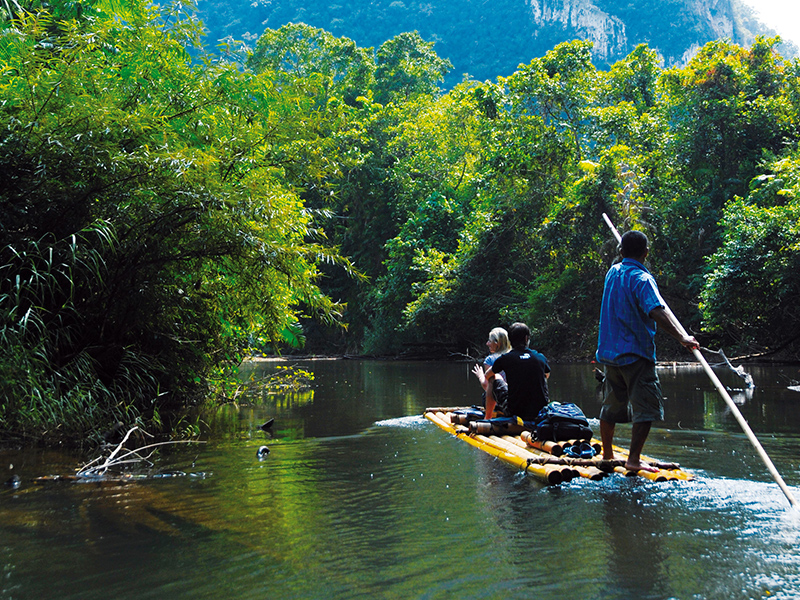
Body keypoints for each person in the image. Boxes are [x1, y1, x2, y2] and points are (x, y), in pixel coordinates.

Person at [596, 230, 699, 472]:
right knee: (646, 408)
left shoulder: (612, 274)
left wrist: (626, 254)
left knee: (611, 406)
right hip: (635, 355)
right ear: (646, 253)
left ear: (621, 252)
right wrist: (682, 337)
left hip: (610, 355)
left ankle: (608, 455)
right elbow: (656, 310)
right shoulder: (642, 279)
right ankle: (633, 460)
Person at [483, 322, 550, 421]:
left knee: (494, 378)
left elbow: (487, 375)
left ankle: (487, 417)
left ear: (510, 339)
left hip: (515, 411)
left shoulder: (505, 358)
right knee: (542, 375)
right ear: (526, 339)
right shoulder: (540, 357)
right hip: (540, 411)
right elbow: (547, 375)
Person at [471, 327, 511, 413]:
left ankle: (488, 416)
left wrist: (480, 376)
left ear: (497, 343)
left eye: (489, 341)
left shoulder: (490, 360)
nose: (487, 343)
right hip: (515, 401)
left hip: (500, 404)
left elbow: (487, 386)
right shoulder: (514, 356)